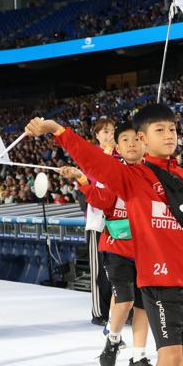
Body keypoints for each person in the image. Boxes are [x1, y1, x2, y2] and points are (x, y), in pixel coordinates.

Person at [28, 103, 183, 366]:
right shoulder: (133, 178)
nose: (169, 135)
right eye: (159, 130)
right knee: (171, 355)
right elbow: (94, 162)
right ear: (142, 140)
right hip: (158, 279)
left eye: (172, 128)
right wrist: (58, 130)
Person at [58, 125, 153, 366]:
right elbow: (102, 200)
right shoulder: (116, 172)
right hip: (118, 246)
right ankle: (113, 338)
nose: (131, 143)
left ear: (145, 143)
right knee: (125, 299)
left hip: (147, 248)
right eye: (125, 140)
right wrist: (81, 180)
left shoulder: (153, 174)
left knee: (144, 305)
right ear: (118, 147)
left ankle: (139, 358)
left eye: (136, 139)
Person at [81, 118, 116, 326]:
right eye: (104, 132)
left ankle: (123, 310)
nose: (109, 135)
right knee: (98, 270)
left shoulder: (121, 156)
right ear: (96, 136)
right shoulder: (90, 156)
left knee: (119, 269)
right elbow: (92, 183)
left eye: (111, 131)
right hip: (97, 222)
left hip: (119, 221)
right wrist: (106, 157)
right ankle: (99, 312)